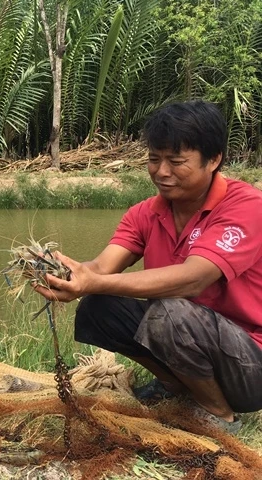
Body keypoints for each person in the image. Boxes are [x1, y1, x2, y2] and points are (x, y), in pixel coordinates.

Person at [34, 100, 262, 434]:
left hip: (249, 364)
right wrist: (67, 274)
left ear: (214, 160)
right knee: (97, 307)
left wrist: (94, 281)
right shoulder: (145, 213)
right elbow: (101, 267)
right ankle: (175, 385)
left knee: (171, 312)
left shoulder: (246, 206)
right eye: (154, 159)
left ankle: (219, 414)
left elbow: (194, 279)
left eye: (176, 161)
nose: (162, 171)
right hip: (183, 339)